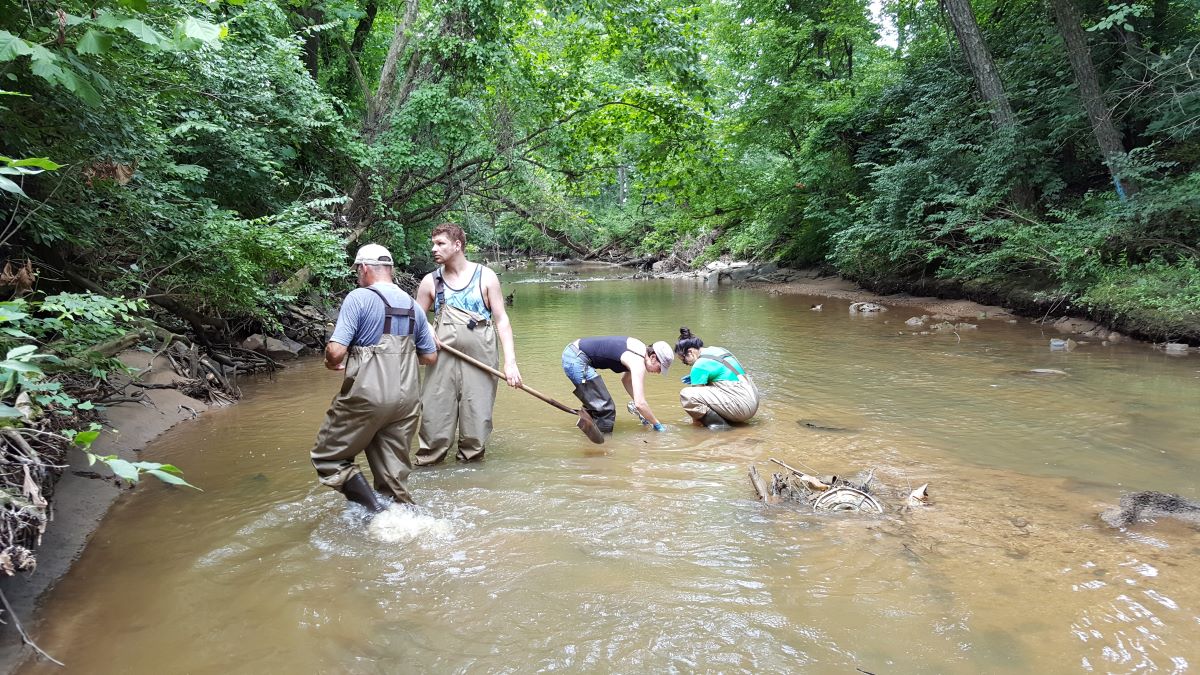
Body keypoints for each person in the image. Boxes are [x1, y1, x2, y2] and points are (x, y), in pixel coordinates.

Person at [309, 243, 438, 514]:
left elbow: (336, 350)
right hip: (407, 401)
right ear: (389, 269)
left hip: (367, 396)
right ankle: (401, 520)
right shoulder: (413, 306)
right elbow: (429, 357)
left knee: (328, 457)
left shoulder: (359, 298)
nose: (358, 274)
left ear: (365, 268)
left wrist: (330, 361)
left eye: (358, 269)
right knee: (393, 477)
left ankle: (375, 511)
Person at [414, 223, 522, 465]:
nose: (434, 249)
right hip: (442, 360)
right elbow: (416, 317)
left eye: (440, 243)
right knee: (434, 419)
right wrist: (427, 327)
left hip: (481, 360)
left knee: (476, 422)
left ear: (457, 245)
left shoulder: (486, 276)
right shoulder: (431, 282)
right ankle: (428, 470)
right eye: (433, 243)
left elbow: (502, 320)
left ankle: (471, 472)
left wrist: (510, 363)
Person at [561, 336, 674, 433]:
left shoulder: (640, 349)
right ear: (653, 357)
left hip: (574, 351)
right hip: (575, 358)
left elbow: (626, 380)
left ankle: (589, 436)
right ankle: (602, 448)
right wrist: (657, 424)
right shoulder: (638, 362)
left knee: (598, 406)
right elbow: (640, 403)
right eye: (660, 368)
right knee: (606, 410)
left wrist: (644, 412)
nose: (659, 372)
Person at [673, 327, 759, 426]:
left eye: (684, 360)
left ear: (691, 352)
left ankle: (720, 428)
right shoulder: (718, 350)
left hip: (742, 406)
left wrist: (696, 426)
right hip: (752, 399)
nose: (685, 363)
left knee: (687, 395)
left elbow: (695, 399)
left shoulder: (699, 365)